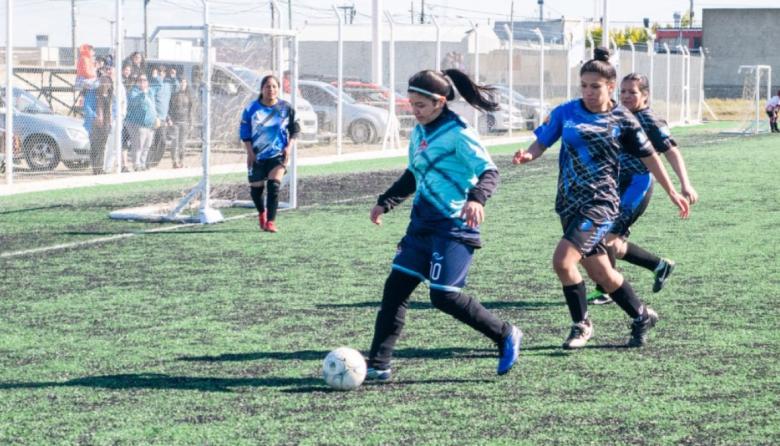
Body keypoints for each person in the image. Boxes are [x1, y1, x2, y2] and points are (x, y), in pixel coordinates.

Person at [512, 48, 690, 349]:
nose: (588, 91)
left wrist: (673, 190)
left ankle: (581, 325)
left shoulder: (623, 119)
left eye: (596, 86)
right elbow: (541, 143)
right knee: (601, 273)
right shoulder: (565, 111)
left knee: (563, 261)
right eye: (584, 85)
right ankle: (641, 314)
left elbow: (651, 158)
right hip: (569, 201)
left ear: (610, 87)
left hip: (601, 203)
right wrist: (528, 155)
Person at [364, 69, 522, 382]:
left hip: (453, 227)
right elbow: (414, 173)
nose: (414, 110)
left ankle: (505, 333)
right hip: (421, 226)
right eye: (411, 103)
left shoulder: (459, 133)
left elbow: (489, 172)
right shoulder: (419, 132)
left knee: (444, 295)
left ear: (439, 102)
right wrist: (386, 201)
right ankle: (379, 364)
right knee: (395, 290)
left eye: (420, 104)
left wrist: (476, 199)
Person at [590, 72, 699, 305]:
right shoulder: (618, 115)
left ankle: (606, 288)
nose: (627, 96)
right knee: (615, 244)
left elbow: (671, 151)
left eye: (633, 92)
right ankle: (658, 265)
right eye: (624, 91)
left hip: (637, 185)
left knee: (605, 235)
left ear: (645, 95)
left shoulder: (649, 120)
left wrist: (684, 184)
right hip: (615, 186)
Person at [239, 74, 300, 233]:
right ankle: (262, 213)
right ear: (262, 89)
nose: (271, 90)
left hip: (278, 154)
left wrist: (289, 147)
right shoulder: (251, 108)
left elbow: (295, 129)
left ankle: (271, 222)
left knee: (273, 186)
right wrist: (250, 152)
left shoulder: (286, 108)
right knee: (256, 190)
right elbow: (244, 131)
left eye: (274, 86)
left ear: (278, 89)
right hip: (257, 155)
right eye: (268, 86)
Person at [125, 75, 158, 171]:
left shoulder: (150, 92)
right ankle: (136, 164)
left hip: (150, 123)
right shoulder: (134, 92)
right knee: (139, 145)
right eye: (140, 80)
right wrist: (143, 94)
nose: (143, 82)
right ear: (137, 82)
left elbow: (159, 85)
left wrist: (155, 77)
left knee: (147, 145)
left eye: (145, 80)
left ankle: (142, 163)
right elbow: (133, 102)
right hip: (139, 123)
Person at [83, 75, 113, 174]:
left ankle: (100, 168)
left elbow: (114, 108)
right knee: (95, 146)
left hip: (106, 124)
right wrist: (95, 117)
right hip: (94, 125)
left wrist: (112, 117)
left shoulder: (110, 95)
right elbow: (87, 107)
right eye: (103, 82)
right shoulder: (92, 93)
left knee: (102, 147)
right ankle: (95, 168)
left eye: (107, 83)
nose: (105, 85)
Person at [168, 78, 192, 168]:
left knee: (183, 143)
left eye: (184, 83)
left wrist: (190, 122)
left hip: (185, 121)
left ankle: (181, 161)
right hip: (175, 122)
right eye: (181, 83)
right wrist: (169, 119)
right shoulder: (174, 95)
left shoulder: (188, 96)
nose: (182, 85)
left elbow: (190, 110)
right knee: (175, 142)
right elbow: (169, 109)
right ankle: (174, 161)